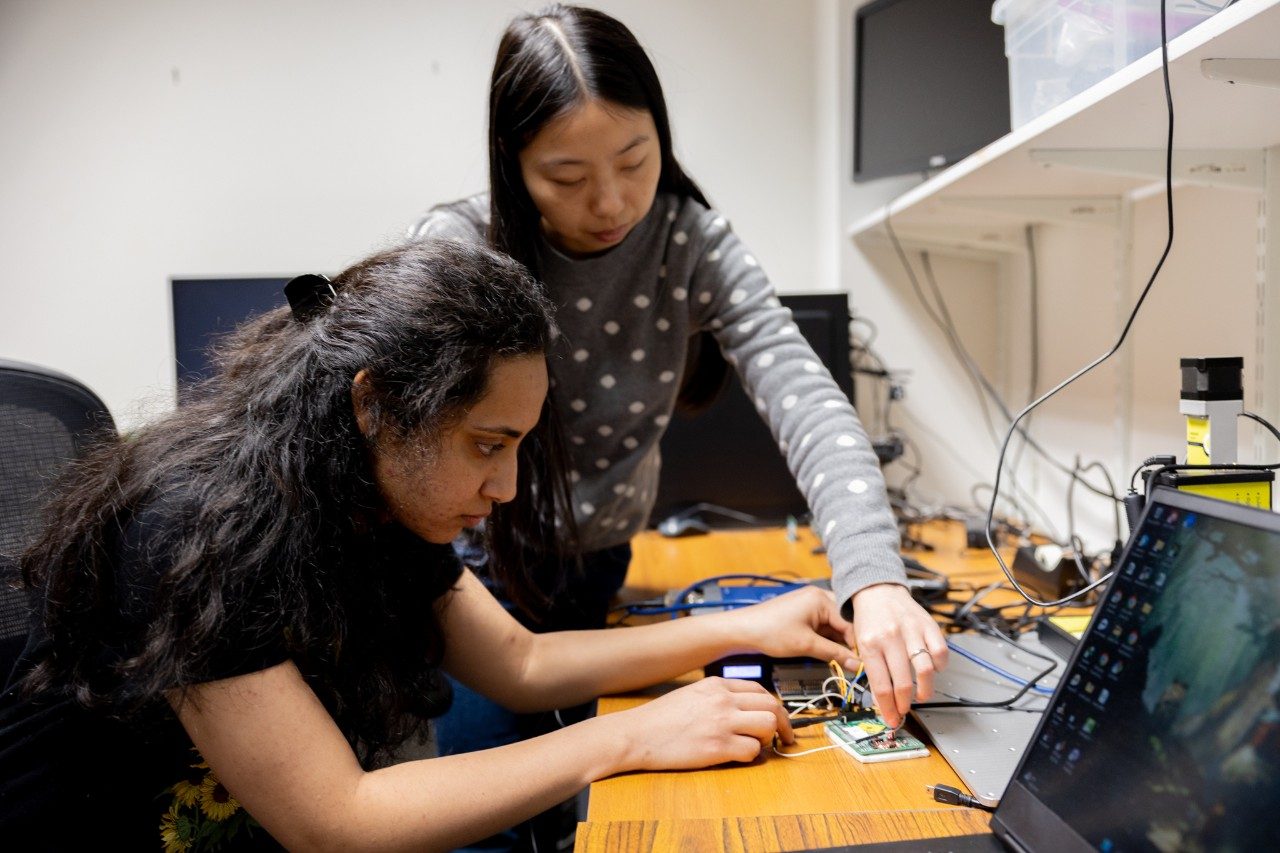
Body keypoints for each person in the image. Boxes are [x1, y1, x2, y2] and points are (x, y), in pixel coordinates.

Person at [0, 239, 862, 851]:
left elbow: (519, 662)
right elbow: (335, 819)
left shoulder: (375, 495)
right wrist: (630, 737)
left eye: (520, 444)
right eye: (487, 443)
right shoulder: (191, 529)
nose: (510, 485)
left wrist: (749, 624)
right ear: (375, 406)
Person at [409, 8, 949, 838]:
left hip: (603, 566)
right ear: (512, 166)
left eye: (635, 159)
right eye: (565, 175)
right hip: (476, 585)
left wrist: (873, 577)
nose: (612, 201)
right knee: (493, 817)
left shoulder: (689, 242)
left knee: (602, 805)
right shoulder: (460, 250)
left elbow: (803, 392)